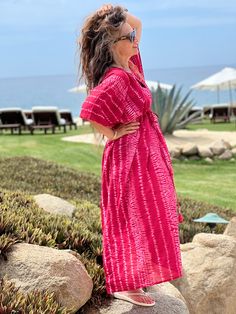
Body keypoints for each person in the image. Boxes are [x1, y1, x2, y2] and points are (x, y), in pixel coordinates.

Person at [78, 4, 183, 307]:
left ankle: (135, 276)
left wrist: (115, 11)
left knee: (150, 213)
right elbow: (91, 110)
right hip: (128, 156)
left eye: (133, 34)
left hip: (143, 153)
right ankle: (124, 282)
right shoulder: (116, 77)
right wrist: (113, 133)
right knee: (130, 215)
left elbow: (138, 23)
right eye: (128, 35)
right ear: (113, 44)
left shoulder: (131, 64)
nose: (135, 37)